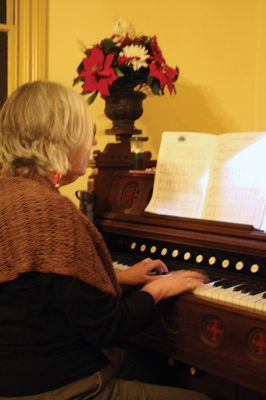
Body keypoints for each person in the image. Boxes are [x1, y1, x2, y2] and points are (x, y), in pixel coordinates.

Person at [0, 81, 210, 400]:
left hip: (18, 377)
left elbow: (36, 284)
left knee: (153, 367)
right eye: (87, 132)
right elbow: (109, 327)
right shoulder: (46, 211)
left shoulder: (10, 192)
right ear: (60, 138)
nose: (95, 141)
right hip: (57, 386)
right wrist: (159, 288)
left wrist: (120, 276)